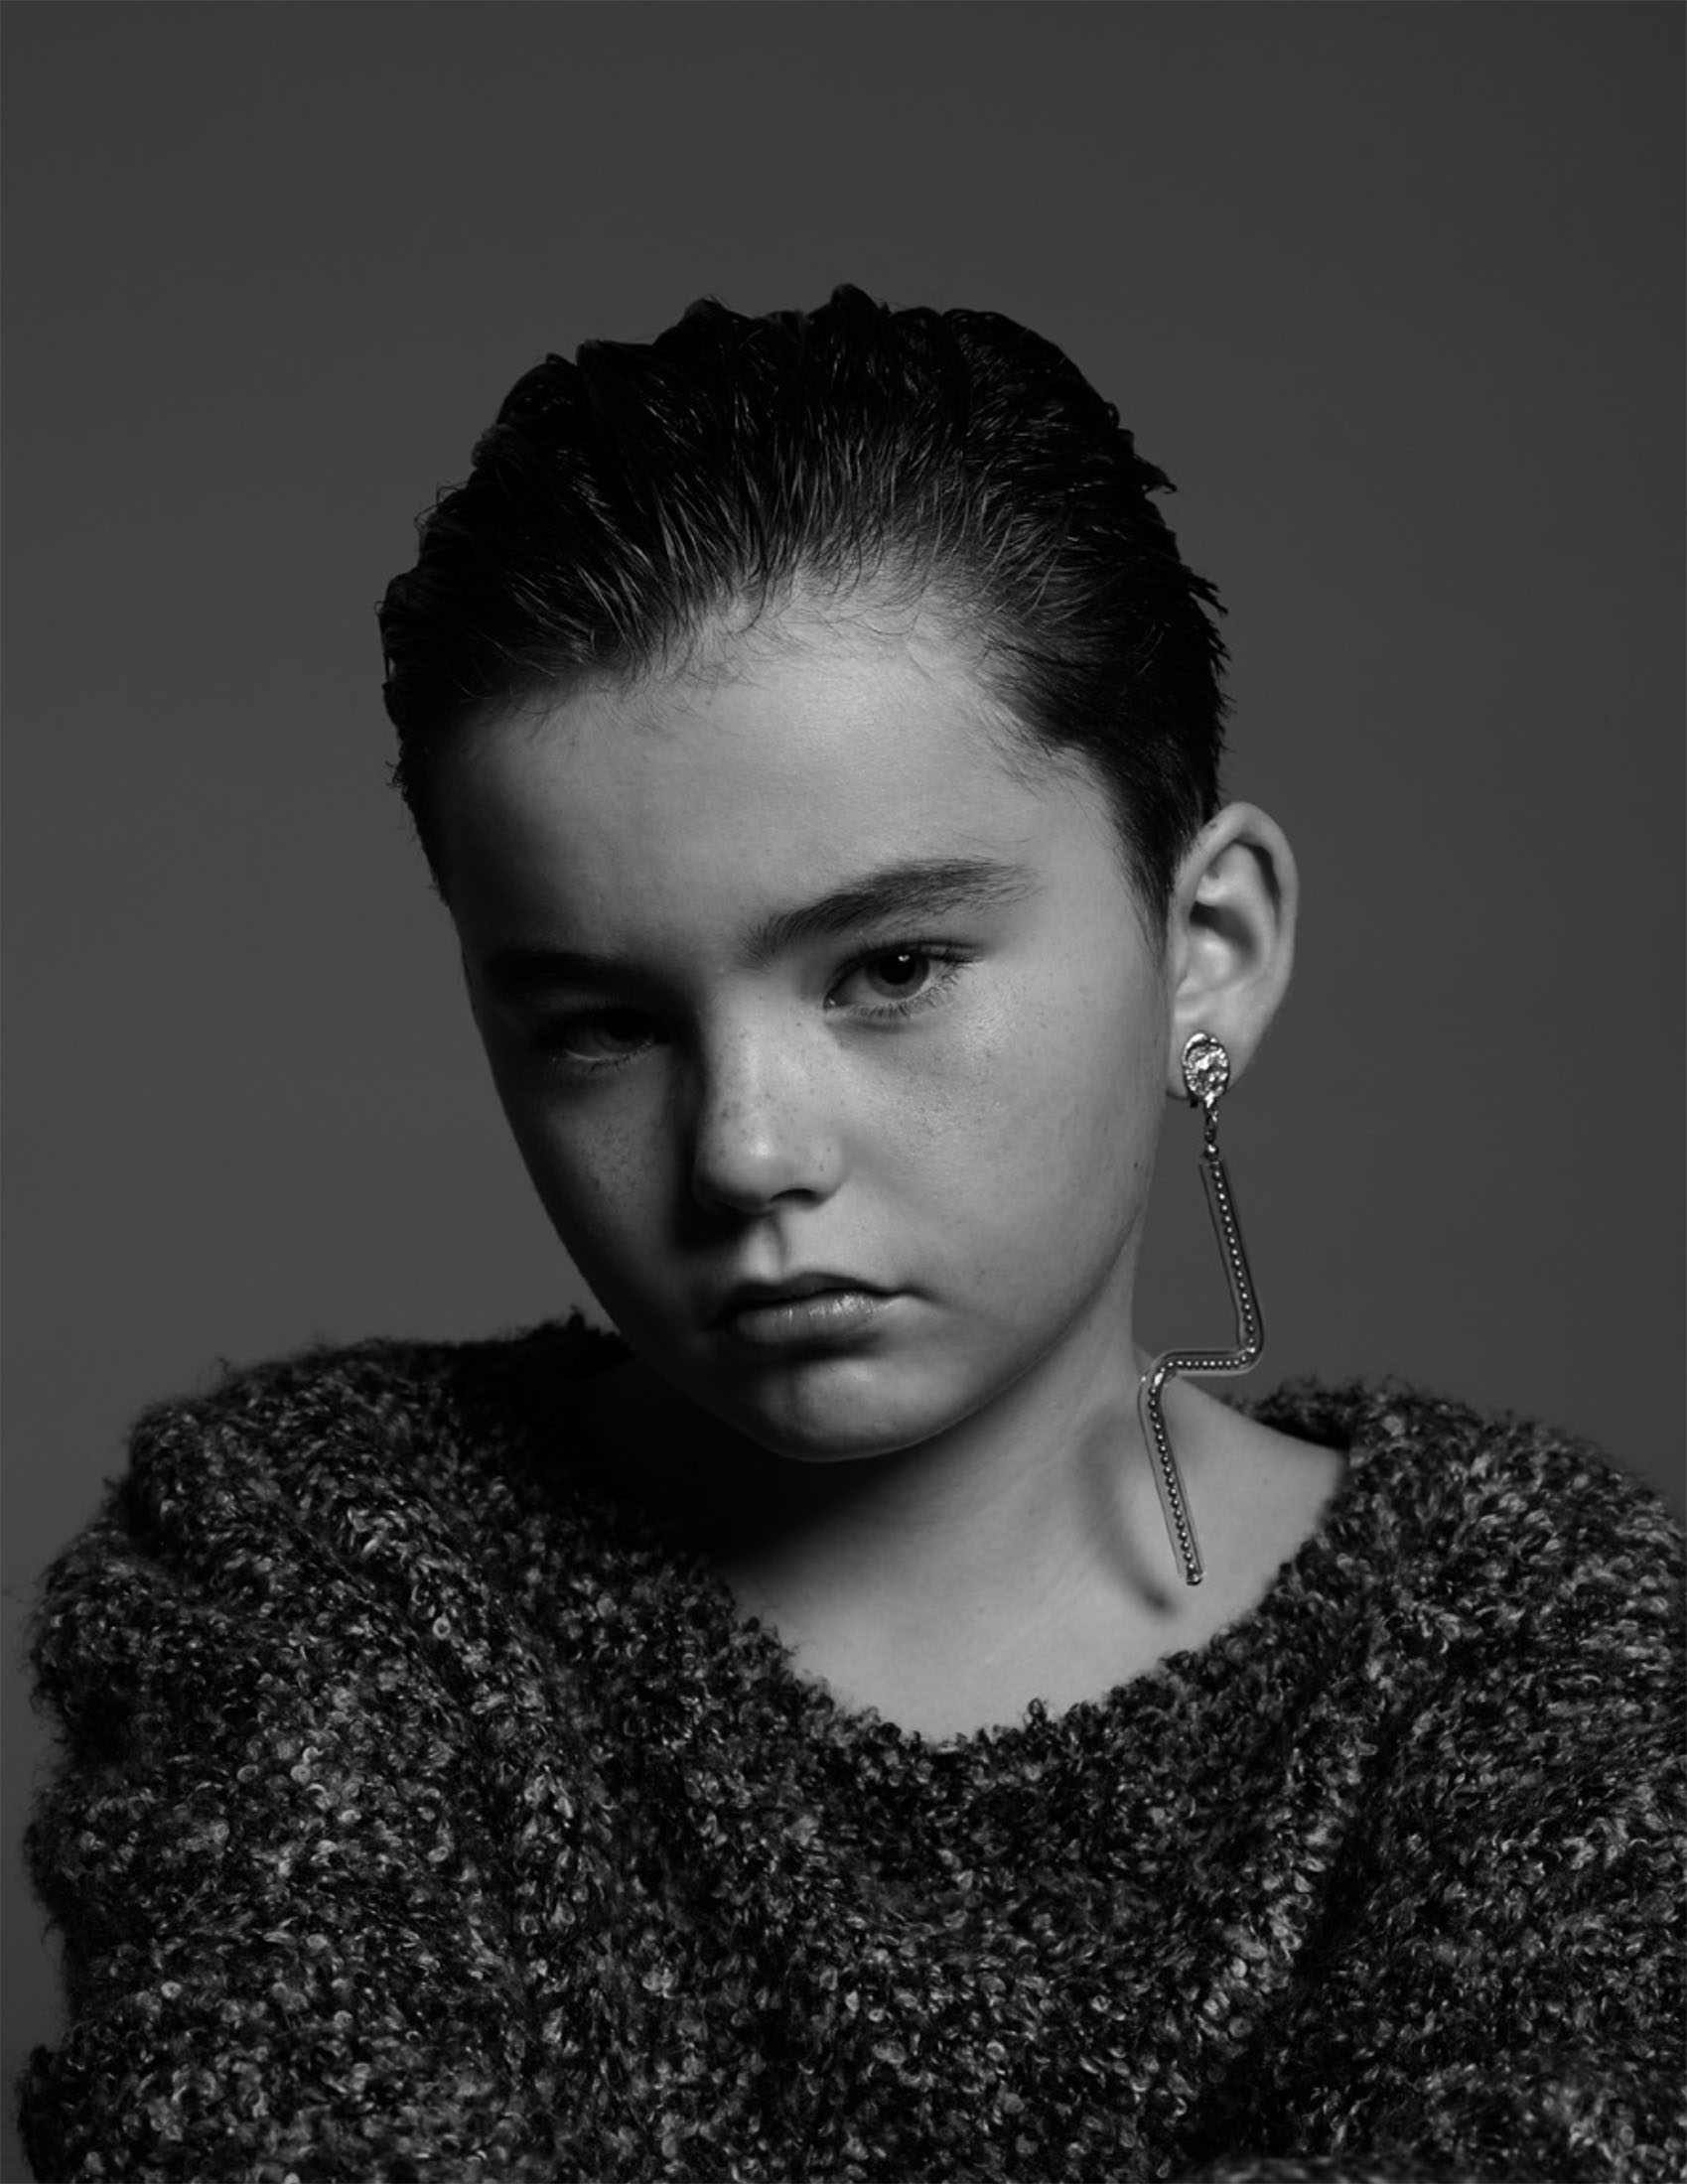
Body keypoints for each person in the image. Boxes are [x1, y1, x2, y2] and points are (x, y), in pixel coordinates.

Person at [17, 285, 1683, 2183]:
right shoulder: (307, 1562)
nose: (743, 1152)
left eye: (890, 968)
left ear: (1206, 949)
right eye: (602, 1026)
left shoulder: (1542, 1642)